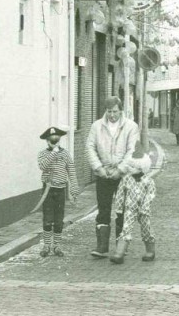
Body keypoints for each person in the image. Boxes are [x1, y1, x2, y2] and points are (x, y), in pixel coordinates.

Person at [86, 96, 140, 258]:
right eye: (109, 111)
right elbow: (90, 147)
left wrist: (121, 169)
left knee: (122, 210)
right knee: (103, 208)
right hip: (104, 173)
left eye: (115, 111)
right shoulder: (96, 126)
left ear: (121, 110)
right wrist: (98, 168)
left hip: (123, 175)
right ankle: (102, 247)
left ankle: (120, 248)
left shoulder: (131, 127)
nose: (112, 115)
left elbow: (132, 150)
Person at [110, 140, 157, 264]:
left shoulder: (148, 181)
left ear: (141, 167)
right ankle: (119, 253)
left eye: (133, 167)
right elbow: (120, 193)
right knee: (126, 229)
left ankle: (150, 251)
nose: (130, 169)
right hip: (130, 209)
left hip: (144, 211)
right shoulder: (126, 179)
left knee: (146, 228)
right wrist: (119, 208)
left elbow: (150, 195)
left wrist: (145, 207)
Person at [36, 126, 79, 257]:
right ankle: (47, 246)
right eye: (51, 141)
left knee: (59, 220)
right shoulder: (43, 154)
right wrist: (53, 153)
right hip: (48, 190)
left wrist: (74, 189)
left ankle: (57, 246)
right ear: (47, 141)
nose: (54, 143)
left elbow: (71, 171)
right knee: (48, 219)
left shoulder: (65, 154)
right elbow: (42, 166)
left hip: (60, 190)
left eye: (56, 140)